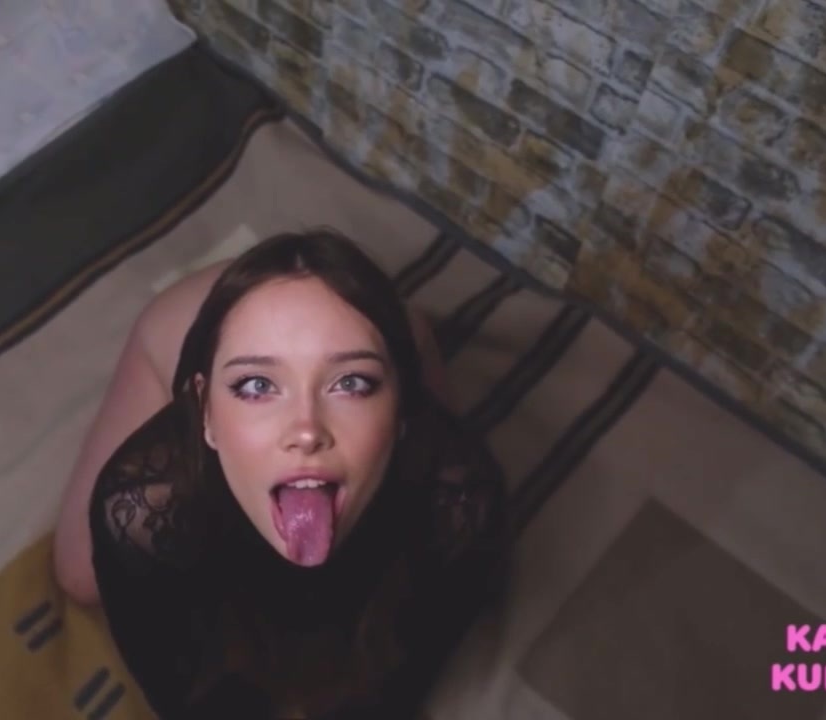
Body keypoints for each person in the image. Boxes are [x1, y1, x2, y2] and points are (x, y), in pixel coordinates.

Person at [53, 229, 509, 718]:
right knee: (78, 576)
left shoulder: (461, 500)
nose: (306, 431)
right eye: (256, 385)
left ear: (400, 409)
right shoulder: (139, 505)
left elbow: (403, 682)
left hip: (399, 352)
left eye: (351, 383)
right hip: (177, 327)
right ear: (206, 411)